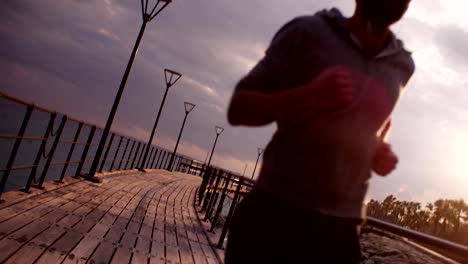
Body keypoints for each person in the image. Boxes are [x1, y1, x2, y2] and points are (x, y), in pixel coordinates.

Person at [225, 0, 414, 263]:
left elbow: (374, 127)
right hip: (273, 219)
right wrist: (310, 96)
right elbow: (239, 107)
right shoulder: (308, 33)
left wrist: (376, 150)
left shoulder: (402, 65)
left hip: (339, 236)